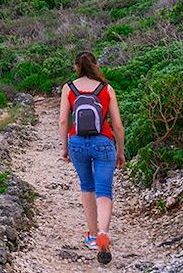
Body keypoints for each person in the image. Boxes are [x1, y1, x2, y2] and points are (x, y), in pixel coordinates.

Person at [59, 51, 126, 265]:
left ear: (76, 66)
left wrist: (64, 147)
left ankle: (92, 234)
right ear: (95, 65)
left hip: (77, 142)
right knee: (104, 190)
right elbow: (117, 125)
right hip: (104, 142)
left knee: (87, 187)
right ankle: (103, 232)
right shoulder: (106, 88)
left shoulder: (68, 88)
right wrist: (120, 150)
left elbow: (62, 121)